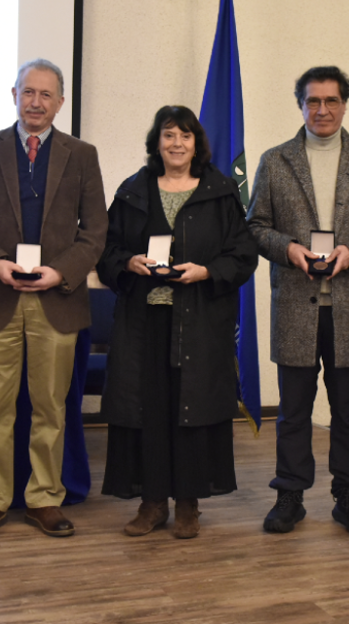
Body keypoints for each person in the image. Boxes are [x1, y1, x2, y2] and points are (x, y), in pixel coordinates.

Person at [0, 59, 107, 541]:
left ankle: (45, 497)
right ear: (14, 95)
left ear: (60, 102)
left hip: (57, 301)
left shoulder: (82, 154)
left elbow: (95, 232)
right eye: (28, 92)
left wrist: (59, 271)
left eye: (46, 94)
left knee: (51, 408)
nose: (36, 102)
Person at [96, 105, 258, 539]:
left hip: (201, 321)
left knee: (191, 410)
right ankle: (151, 504)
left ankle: (188, 504)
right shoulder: (133, 191)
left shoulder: (220, 193)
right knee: (149, 410)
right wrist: (128, 261)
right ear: (157, 142)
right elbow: (106, 250)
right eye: (169, 135)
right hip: (144, 322)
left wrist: (205, 271)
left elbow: (242, 256)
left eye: (185, 136)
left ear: (196, 143)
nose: (177, 144)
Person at [247, 66, 349, 535]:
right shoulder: (275, 160)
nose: (322, 110)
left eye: (331, 101)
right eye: (313, 101)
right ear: (300, 105)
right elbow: (255, 226)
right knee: (293, 410)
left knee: (348, 410)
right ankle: (289, 495)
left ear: (345, 104)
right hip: (295, 301)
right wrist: (288, 249)